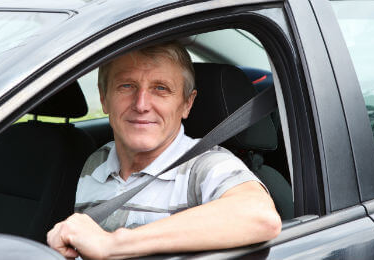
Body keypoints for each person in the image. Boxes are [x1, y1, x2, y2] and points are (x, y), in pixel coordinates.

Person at [47, 41, 281, 259]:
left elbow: (261, 216)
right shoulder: (96, 161)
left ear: (186, 104)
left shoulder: (205, 165)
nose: (141, 104)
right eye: (126, 86)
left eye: (160, 88)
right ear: (104, 97)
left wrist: (114, 244)